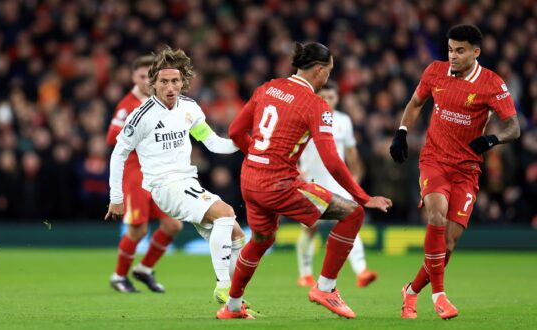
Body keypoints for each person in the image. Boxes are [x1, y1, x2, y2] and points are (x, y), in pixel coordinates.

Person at [218, 42, 392, 319]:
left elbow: (235, 130)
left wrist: (257, 157)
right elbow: (333, 160)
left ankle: (233, 306)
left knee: (261, 240)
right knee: (353, 213)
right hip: (279, 185)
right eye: (330, 71)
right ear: (320, 70)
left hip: (250, 179)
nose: (329, 78)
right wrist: (364, 196)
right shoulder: (316, 105)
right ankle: (325, 288)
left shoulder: (268, 87)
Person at [389, 24, 520, 320]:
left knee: (448, 244)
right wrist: (401, 131)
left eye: (460, 51)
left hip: (467, 169)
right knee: (436, 213)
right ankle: (440, 297)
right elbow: (415, 102)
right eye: (450, 49)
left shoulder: (491, 83)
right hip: (434, 160)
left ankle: (411, 291)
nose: (453, 56)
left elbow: (514, 127)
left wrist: (493, 138)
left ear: (476, 52)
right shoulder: (435, 71)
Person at [106, 47, 247, 304]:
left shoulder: (190, 108)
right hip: (164, 186)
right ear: (154, 83)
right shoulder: (141, 116)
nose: (170, 87)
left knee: (236, 234)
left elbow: (213, 143)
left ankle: (234, 303)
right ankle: (224, 287)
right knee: (226, 214)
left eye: (175, 81)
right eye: (164, 81)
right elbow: (118, 153)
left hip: (187, 182)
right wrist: (116, 197)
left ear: (183, 82)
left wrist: (245, 144)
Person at [106, 55, 183, 293]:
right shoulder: (126, 106)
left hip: (159, 172)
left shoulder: (163, 103)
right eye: (141, 76)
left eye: (149, 76)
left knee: (173, 225)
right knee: (138, 229)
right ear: (133, 78)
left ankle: (144, 269)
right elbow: (112, 139)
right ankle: (119, 276)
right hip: (135, 175)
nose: (146, 81)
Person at [296, 81, 377, 289]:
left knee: (351, 220)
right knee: (310, 229)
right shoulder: (304, 118)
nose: (327, 101)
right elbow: (290, 148)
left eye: (331, 97)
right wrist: (296, 171)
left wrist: (354, 181)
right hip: (310, 183)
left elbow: (352, 155)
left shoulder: (344, 121)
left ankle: (362, 271)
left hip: (337, 184)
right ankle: (305, 273)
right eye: (323, 97)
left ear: (337, 98)